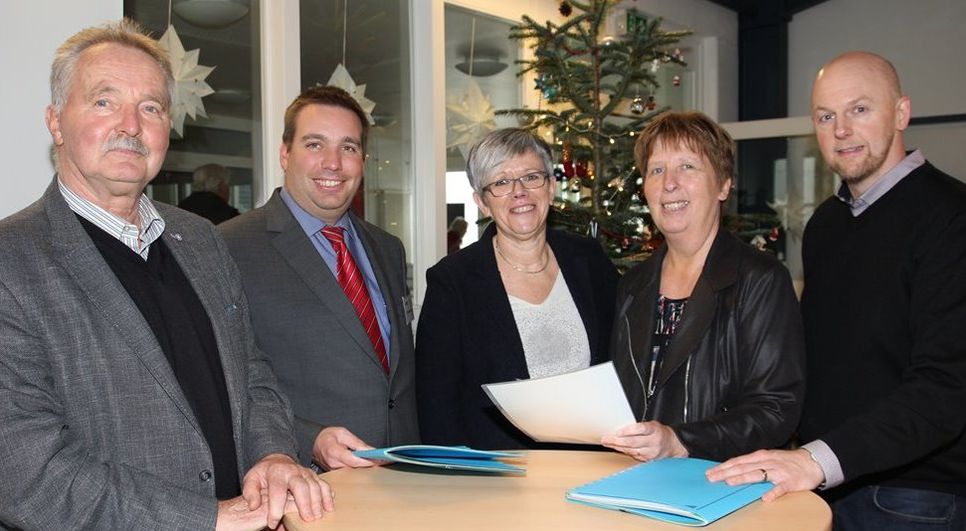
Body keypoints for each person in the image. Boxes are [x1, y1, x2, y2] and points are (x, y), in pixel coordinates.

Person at [0, 20, 331, 530]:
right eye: (104, 102)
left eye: (151, 107)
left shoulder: (201, 239)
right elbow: (26, 474)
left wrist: (274, 455)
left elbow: (252, 374)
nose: (131, 126)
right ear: (56, 122)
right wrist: (206, 519)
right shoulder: (11, 261)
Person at [707, 52, 966, 529]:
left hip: (915, 496)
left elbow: (946, 387)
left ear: (901, 113)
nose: (841, 129)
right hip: (825, 483)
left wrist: (816, 460)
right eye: (826, 116)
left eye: (859, 109)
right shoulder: (826, 223)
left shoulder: (951, 217)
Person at [219, 85, 418, 471]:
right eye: (315, 144)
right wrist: (308, 440)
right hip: (308, 480)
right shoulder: (230, 246)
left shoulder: (387, 248)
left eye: (348, 147)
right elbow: (227, 385)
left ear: (363, 161)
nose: (333, 163)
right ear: (285, 153)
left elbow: (397, 379)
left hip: (403, 474)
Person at [601, 112, 805, 463]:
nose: (669, 184)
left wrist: (680, 441)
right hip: (635, 479)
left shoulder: (761, 280)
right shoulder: (633, 285)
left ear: (723, 184)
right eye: (657, 170)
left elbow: (776, 409)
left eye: (687, 167)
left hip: (721, 482)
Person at [416, 128, 619, 450]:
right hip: (499, 471)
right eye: (501, 183)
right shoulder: (453, 281)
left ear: (551, 188)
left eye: (531, 177)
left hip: (595, 461)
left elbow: (620, 361)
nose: (519, 192)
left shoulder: (589, 260)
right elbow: (436, 403)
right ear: (482, 202)